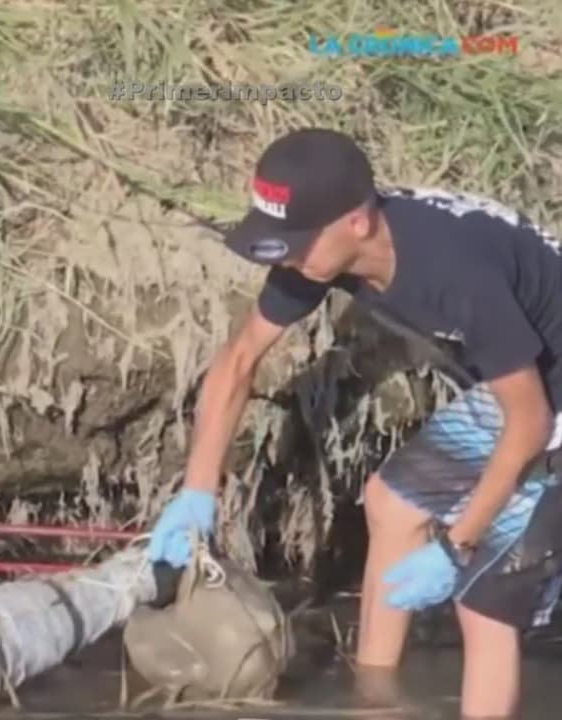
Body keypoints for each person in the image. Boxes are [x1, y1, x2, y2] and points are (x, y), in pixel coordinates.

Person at [145, 126, 562, 719]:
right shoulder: (323, 249)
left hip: (538, 402)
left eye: (296, 243)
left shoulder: (454, 270)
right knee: (392, 503)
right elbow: (238, 359)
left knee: (483, 600)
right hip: (528, 383)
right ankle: (374, 704)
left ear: (357, 223)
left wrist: (457, 544)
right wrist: (196, 493)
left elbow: (529, 422)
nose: (287, 258)